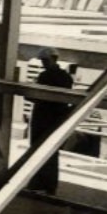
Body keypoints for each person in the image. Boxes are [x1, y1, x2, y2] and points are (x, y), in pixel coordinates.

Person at [29, 48, 75, 195]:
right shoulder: (66, 78)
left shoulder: (44, 76)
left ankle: (38, 182)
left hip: (42, 118)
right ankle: (50, 185)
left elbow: (36, 96)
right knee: (52, 152)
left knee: (37, 150)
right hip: (57, 119)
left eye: (44, 61)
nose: (43, 63)